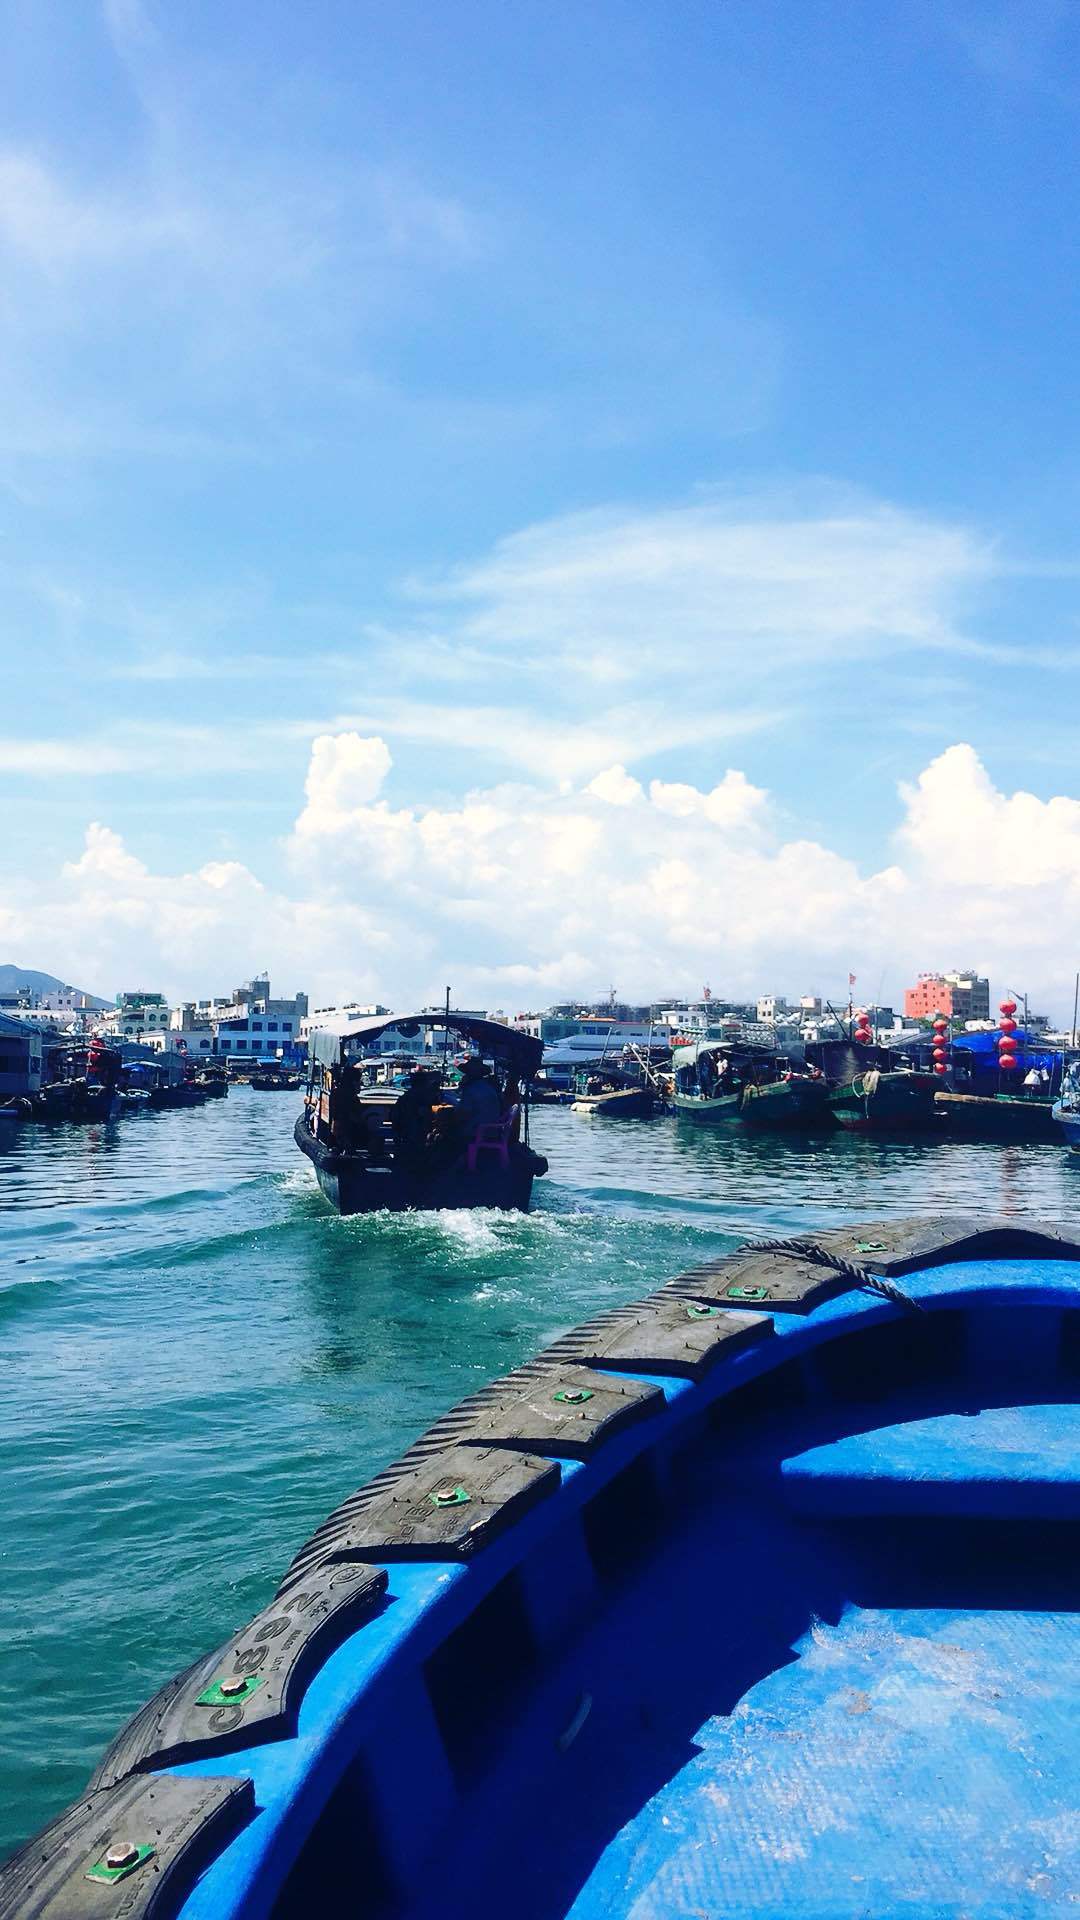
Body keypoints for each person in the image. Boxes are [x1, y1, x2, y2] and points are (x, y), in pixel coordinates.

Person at [391, 1069, 441, 1173]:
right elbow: (425, 1114)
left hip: (404, 1131)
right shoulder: (423, 1097)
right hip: (417, 1131)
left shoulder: (405, 1097)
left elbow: (395, 1116)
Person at [456, 1055, 502, 1134]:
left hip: (479, 1130)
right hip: (491, 1128)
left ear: (470, 1075)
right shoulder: (487, 1086)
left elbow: (463, 1113)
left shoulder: (471, 1090)